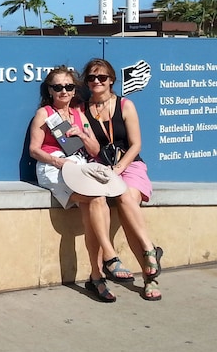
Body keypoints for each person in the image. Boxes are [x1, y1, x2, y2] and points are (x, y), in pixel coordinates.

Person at [29, 65, 131, 303]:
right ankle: (109, 256)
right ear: (50, 90)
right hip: (54, 167)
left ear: (75, 90)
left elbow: (95, 149)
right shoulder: (44, 114)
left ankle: (96, 277)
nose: (64, 92)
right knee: (95, 198)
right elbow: (34, 149)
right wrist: (57, 160)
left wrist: (83, 135)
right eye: (58, 87)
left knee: (95, 201)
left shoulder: (79, 114)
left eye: (69, 87)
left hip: (80, 166)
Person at [82, 58, 163, 301]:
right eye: (92, 78)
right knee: (100, 208)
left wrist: (119, 167)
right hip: (101, 167)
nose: (97, 82)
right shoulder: (83, 109)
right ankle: (107, 271)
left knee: (126, 199)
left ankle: (149, 264)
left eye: (102, 78)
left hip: (130, 164)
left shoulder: (125, 105)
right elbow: (94, 148)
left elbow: (136, 143)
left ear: (112, 81)